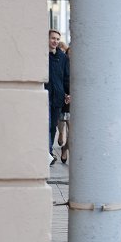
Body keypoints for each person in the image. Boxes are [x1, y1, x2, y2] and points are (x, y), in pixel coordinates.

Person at [46, 29, 70, 165]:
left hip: (58, 97)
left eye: (57, 39)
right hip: (46, 95)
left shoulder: (63, 57)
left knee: (53, 126)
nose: (55, 41)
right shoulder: (43, 55)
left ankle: (48, 152)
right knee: (46, 125)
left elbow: (66, 77)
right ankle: (48, 152)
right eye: (52, 38)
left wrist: (68, 93)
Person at [57, 45, 71, 163]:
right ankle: (61, 133)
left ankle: (65, 148)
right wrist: (66, 94)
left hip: (80, 103)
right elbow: (62, 80)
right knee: (63, 121)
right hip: (67, 99)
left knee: (73, 134)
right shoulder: (64, 61)